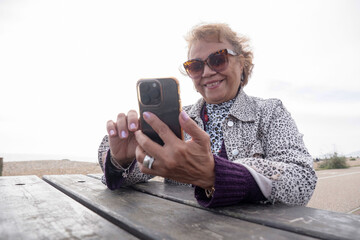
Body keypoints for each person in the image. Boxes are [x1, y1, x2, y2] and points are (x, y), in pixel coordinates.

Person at [98, 23, 317, 208]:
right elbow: (143, 171)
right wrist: (122, 160)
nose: (207, 72)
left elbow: (302, 179)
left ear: (242, 63)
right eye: (195, 66)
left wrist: (215, 174)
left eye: (218, 59)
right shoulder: (176, 121)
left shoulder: (270, 112)